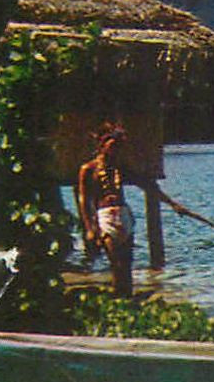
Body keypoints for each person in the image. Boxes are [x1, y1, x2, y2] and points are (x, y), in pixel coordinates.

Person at [76, 123, 185, 297]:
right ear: (102, 146)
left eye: (118, 148)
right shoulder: (88, 170)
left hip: (123, 214)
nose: (115, 152)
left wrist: (173, 204)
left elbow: (148, 186)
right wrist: (90, 228)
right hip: (105, 217)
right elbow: (84, 200)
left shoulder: (121, 168)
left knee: (126, 264)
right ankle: (118, 298)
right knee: (115, 262)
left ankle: (127, 299)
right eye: (112, 147)